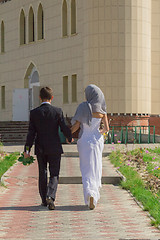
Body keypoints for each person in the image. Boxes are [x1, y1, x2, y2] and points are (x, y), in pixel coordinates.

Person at [24, 87, 72, 210]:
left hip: (40, 148)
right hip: (55, 147)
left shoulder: (34, 113)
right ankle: (51, 196)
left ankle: (44, 200)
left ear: (40, 98)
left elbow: (31, 133)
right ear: (52, 97)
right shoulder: (57, 111)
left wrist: (27, 150)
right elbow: (63, 127)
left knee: (42, 172)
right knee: (54, 173)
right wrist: (70, 137)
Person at [71, 84, 109, 210]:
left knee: (86, 167)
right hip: (97, 141)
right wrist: (98, 133)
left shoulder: (83, 107)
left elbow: (76, 126)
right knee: (96, 167)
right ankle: (95, 194)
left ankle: (89, 194)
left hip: (85, 142)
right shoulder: (102, 110)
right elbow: (106, 129)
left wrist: (67, 133)